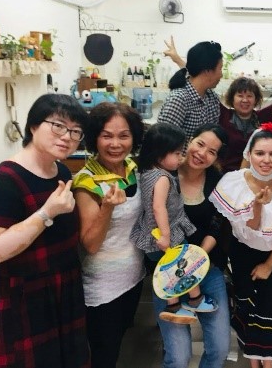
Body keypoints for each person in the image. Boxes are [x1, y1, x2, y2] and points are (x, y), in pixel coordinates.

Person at [0, 94, 90, 368]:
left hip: (63, 287)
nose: (67, 137)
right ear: (33, 126)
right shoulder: (4, 181)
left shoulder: (62, 172)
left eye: (75, 131)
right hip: (22, 296)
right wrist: (46, 214)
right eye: (58, 126)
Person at [210, 123, 272, 368]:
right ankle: (254, 363)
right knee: (249, 311)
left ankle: (269, 364)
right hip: (245, 254)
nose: (266, 160)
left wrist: (269, 265)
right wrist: (257, 206)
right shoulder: (233, 183)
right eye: (260, 153)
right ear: (249, 154)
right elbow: (251, 228)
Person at [161, 36, 272, 170]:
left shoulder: (260, 118)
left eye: (250, 96)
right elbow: (162, 140)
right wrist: (178, 60)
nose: (245, 100)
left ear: (256, 99)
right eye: (240, 95)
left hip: (251, 175)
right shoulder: (221, 113)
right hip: (208, 172)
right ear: (232, 98)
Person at [73, 102, 146, 368]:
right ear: (94, 138)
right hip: (103, 287)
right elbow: (90, 244)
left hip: (134, 277)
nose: (116, 144)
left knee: (120, 341)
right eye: (107, 136)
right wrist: (107, 208)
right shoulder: (87, 181)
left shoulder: (132, 168)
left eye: (124, 135)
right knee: (104, 355)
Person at [130, 122, 217, 325]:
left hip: (151, 235)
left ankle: (173, 307)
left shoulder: (146, 172)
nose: (181, 158)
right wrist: (166, 236)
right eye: (177, 153)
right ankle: (196, 300)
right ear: (160, 153)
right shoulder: (163, 178)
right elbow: (158, 208)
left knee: (168, 272)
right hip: (165, 236)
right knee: (184, 268)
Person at [161, 123, 231, 368]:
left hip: (207, 266)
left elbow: (217, 225)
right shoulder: (165, 174)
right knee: (178, 357)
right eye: (200, 144)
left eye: (211, 152)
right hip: (168, 272)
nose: (202, 153)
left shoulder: (217, 181)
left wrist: (196, 258)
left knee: (220, 349)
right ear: (190, 140)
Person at [157, 39, 223, 148]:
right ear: (207, 71)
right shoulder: (178, 100)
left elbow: (213, 137)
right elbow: (162, 145)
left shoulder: (212, 98)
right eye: (220, 69)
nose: (221, 75)